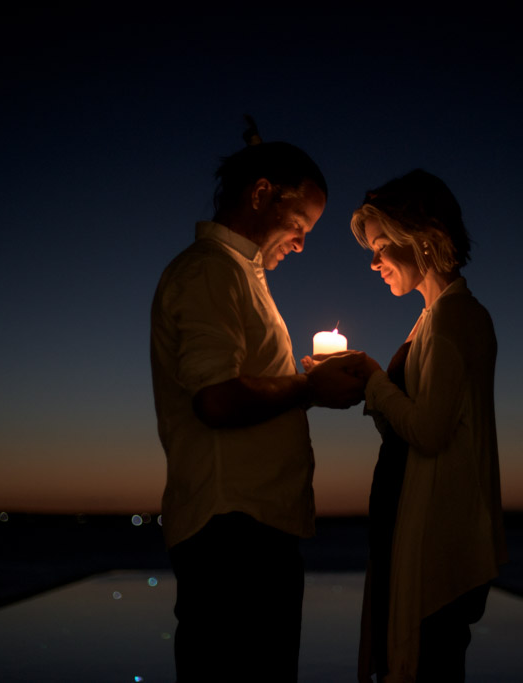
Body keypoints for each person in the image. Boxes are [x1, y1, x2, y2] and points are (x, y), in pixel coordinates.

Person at [150, 122, 366, 682]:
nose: (300, 242)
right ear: (261, 193)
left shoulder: (239, 276)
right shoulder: (209, 272)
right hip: (233, 533)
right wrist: (311, 389)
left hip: (250, 526)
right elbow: (215, 399)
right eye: (299, 224)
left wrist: (300, 385)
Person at [349, 170, 506, 682]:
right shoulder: (432, 317)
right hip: (412, 518)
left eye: (380, 247)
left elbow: (431, 432)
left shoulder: (454, 319)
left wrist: (373, 381)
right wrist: (371, 389)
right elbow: (414, 430)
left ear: (419, 237)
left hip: (438, 536)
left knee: (431, 665)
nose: (372, 262)